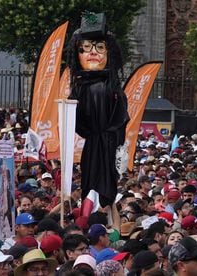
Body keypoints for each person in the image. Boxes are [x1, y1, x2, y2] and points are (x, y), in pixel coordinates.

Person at [66, 12, 129, 212]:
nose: (93, 53)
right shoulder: (79, 89)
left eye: (100, 48)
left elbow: (119, 122)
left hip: (105, 148)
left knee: (101, 188)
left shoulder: (111, 90)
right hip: (93, 147)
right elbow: (77, 125)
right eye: (85, 48)